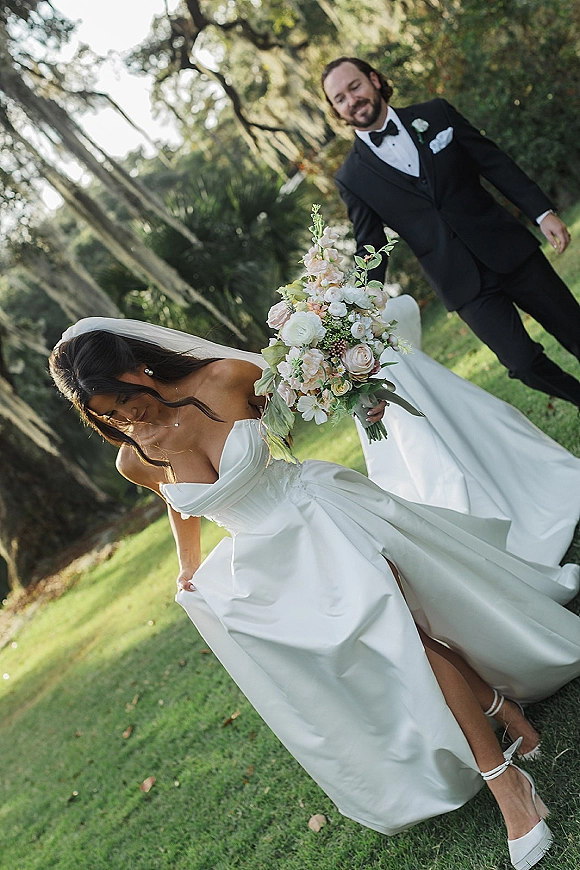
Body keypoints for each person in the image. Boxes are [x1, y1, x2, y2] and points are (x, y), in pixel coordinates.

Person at [49, 317, 580, 869]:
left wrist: (363, 393)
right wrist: (187, 566)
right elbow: (175, 498)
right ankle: (504, 711)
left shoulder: (228, 378)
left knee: (403, 643)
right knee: (403, 641)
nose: (127, 416)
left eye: (124, 397)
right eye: (109, 412)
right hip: (266, 562)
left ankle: (507, 786)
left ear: (139, 366)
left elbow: (317, 384)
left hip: (320, 518)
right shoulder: (134, 455)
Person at [321, 57, 580, 408]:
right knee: (523, 364)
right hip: (460, 281)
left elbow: (494, 162)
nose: (352, 100)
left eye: (355, 87)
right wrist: (352, 309)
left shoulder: (437, 114)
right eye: (340, 98)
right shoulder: (350, 176)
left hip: (508, 248)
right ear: (337, 110)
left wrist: (542, 212)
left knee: (574, 328)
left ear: (375, 81)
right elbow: (371, 243)